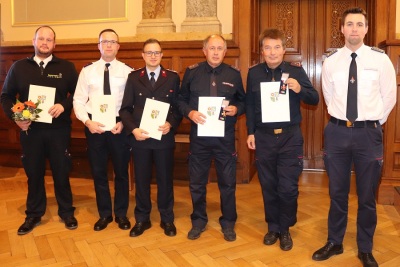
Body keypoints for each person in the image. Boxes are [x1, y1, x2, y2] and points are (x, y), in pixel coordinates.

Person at [312, 7, 396, 267]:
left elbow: (389, 96)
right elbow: (328, 96)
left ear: (366, 29)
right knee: (337, 192)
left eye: (359, 24)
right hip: (336, 132)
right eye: (350, 24)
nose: (354, 29)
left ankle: (365, 247)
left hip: (368, 135)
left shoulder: (380, 60)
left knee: (367, 195)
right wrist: (342, 121)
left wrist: (371, 124)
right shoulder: (331, 60)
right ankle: (335, 242)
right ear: (342, 29)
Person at [246, 28, 319, 251]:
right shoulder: (254, 73)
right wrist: (250, 132)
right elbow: (250, 105)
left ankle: (285, 228)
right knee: (268, 185)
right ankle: (273, 227)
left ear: (284, 50)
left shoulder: (295, 71)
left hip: (290, 137)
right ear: (261, 51)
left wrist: (300, 89)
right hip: (264, 137)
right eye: (267, 47)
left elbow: (314, 98)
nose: (272, 52)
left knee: (287, 187)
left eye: (276, 47)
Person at [0, 25, 78, 235]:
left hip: (59, 130)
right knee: (34, 173)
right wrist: (17, 119)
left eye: (49, 39)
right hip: (30, 131)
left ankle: (66, 212)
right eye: (41, 39)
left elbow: (79, 96)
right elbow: (6, 96)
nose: (44, 43)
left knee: (62, 171)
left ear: (55, 44)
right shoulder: (18, 67)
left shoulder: (67, 67)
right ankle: (33, 214)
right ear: (34, 41)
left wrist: (64, 105)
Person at [177, 34, 245, 242]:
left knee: (227, 183)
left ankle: (228, 223)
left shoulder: (233, 74)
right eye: (212, 48)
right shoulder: (192, 72)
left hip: (224, 138)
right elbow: (180, 99)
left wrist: (236, 109)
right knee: (197, 183)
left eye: (220, 49)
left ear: (225, 52)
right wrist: (190, 113)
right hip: (199, 137)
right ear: (204, 50)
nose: (216, 52)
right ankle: (198, 221)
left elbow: (243, 101)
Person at [119, 38, 182, 237]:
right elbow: (125, 109)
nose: (153, 56)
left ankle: (167, 218)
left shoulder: (172, 77)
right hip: (141, 139)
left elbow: (178, 107)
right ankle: (142, 219)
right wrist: (133, 130)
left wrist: (171, 123)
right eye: (149, 53)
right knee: (142, 180)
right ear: (143, 55)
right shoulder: (133, 77)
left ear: (162, 55)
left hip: (163, 139)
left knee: (165, 180)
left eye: (157, 53)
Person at [73, 29, 133, 231]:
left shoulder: (127, 71)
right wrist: (87, 122)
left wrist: (125, 123)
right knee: (99, 172)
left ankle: (122, 214)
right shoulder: (87, 71)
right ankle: (105, 214)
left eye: (112, 42)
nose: (108, 45)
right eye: (104, 41)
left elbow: (132, 103)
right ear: (98, 45)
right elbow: (78, 100)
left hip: (118, 126)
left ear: (118, 46)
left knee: (121, 173)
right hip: (94, 126)